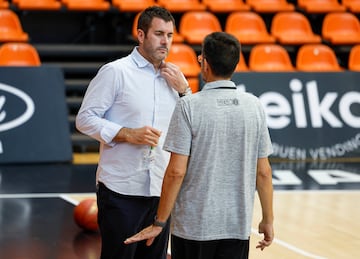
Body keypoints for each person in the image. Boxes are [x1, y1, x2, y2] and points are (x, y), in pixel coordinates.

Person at [124, 32, 274, 259]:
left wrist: (159, 222)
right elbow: (263, 172)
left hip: (193, 228)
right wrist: (268, 219)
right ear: (236, 64)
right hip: (237, 227)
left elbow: (175, 172)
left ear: (205, 64)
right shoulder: (255, 106)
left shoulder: (188, 106)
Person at [75, 6, 191, 259]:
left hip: (161, 192)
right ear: (140, 35)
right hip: (121, 190)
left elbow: (191, 125)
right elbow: (84, 120)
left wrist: (185, 92)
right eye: (159, 34)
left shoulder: (176, 79)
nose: (165, 41)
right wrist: (126, 133)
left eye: (170, 36)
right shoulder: (115, 72)